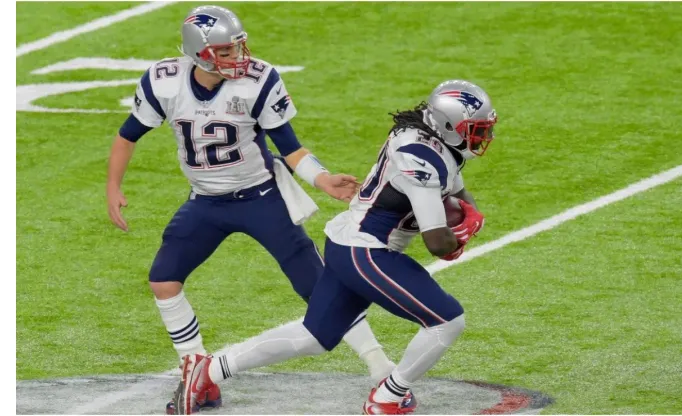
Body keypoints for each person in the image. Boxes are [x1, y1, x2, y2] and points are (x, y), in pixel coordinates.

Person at [105, 5, 399, 414]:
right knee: (163, 279)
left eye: (237, 47)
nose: (237, 57)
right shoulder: (164, 82)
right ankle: (196, 369)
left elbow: (290, 147)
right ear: (198, 52)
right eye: (225, 51)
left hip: (261, 197)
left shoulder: (256, 82)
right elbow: (127, 135)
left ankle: (382, 370)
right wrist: (113, 185)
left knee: (318, 288)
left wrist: (322, 178)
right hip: (205, 202)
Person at [173, 79, 498, 415]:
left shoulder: (427, 139)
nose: (482, 138)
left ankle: (209, 369)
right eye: (475, 129)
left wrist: (468, 213)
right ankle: (388, 396)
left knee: (315, 335)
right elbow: (437, 244)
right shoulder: (421, 159)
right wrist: (463, 231)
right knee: (448, 320)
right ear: (447, 125)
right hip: (367, 250)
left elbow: (457, 191)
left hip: (351, 245)